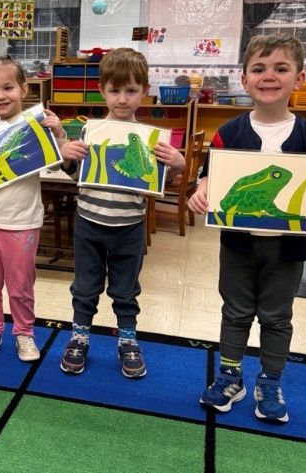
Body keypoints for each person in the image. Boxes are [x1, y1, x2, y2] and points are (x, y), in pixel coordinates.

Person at [187, 34, 306, 422]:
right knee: (236, 311)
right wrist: (200, 192)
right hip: (238, 244)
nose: (269, 76)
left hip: (288, 249)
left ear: (299, 78)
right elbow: (211, 178)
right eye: (258, 69)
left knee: (277, 316)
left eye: (280, 68)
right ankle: (229, 375)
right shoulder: (229, 132)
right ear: (244, 80)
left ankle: (271, 379)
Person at [56, 48, 185, 378]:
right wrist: (67, 156)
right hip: (89, 222)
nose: (123, 99)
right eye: (115, 90)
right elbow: (76, 176)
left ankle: (127, 340)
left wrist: (177, 166)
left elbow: (157, 184)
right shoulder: (89, 131)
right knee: (85, 287)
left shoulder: (151, 140)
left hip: (128, 226)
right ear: (102, 90)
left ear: (144, 91)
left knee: (126, 290)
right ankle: (79, 337)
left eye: (131, 90)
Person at [0, 56, 65, 362]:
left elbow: (57, 163)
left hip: (23, 223)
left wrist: (57, 133)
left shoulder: (35, 122)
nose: (0, 96)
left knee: (20, 285)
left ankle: (24, 332)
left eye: (8, 88)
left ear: (23, 89)